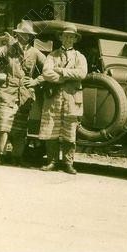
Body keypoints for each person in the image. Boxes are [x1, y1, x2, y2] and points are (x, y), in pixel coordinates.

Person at [0, 20, 46, 166]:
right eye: (22, 35)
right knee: (3, 125)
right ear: (17, 35)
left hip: (25, 95)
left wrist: (36, 81)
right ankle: (0, 156)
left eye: (28, 35)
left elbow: (48, 67)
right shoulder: (8, 49)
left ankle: (17, 158)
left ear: (31, 37)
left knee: (20, 128)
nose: (25, 37)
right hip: (7, 92)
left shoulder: (35, 52)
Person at [39, 23, 88, 175]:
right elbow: (46, 73)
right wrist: (62, 79)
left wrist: (61, 71)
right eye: (65, 36)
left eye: (71, 36)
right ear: (61, 37)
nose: (68, 39)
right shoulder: (52, 56)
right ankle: (52, 161)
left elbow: (81, 74)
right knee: (51, 129)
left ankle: (68, 163)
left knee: (69, 131)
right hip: (54, 97)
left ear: (75, 39)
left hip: (72, 98)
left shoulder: (80, 57)